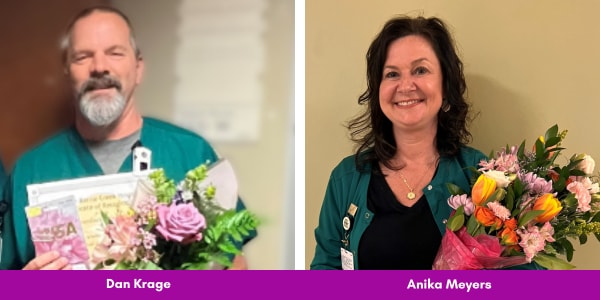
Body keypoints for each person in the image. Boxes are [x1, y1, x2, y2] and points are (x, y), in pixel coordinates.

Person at [0, 6, 255, 270]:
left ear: (138, 68)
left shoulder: (190, 153)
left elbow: (234, 264)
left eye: (115, 53)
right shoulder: (30, 170)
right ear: (67, 72)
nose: (99, 67)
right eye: (82, 57)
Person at [310, 15, 542, 270]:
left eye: (420, 70)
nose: (405, 85)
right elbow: (325, 269)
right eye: (392, 74)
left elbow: (525, 273)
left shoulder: (484, 177)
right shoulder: (346, 177)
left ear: (446, 87)